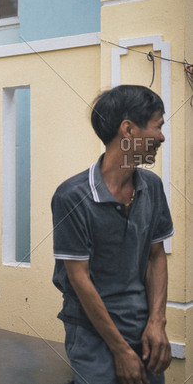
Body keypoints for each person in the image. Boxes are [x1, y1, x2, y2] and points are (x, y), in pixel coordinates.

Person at [52, 85, 174, 384]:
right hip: (92, 334)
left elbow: (156, 256)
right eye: (157, 126)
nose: (162, 137)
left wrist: (157, 322)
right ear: (128, 130)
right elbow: (79, 279)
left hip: (144, 328)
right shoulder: (72, 196)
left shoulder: (152, 187)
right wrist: (120, 350)